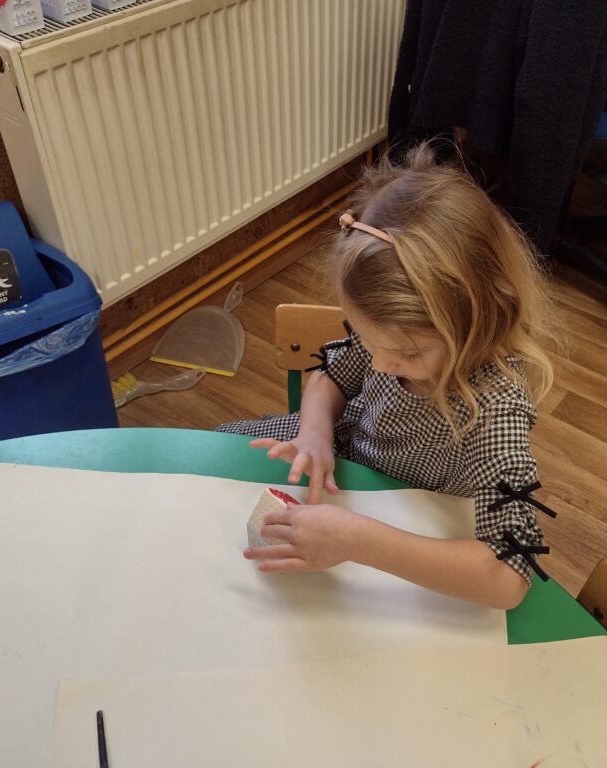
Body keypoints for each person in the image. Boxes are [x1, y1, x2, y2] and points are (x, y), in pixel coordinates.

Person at [217, 144, 560, 609]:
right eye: (367, 341)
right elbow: (329, 376)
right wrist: (315, 432)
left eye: (407, 354)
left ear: (479, 325)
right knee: (221, 450)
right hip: (346, 462)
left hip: (409, 523)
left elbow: (509, 576)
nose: (378, 365)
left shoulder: (495, 408)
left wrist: (358, 540)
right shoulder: (391, 336)